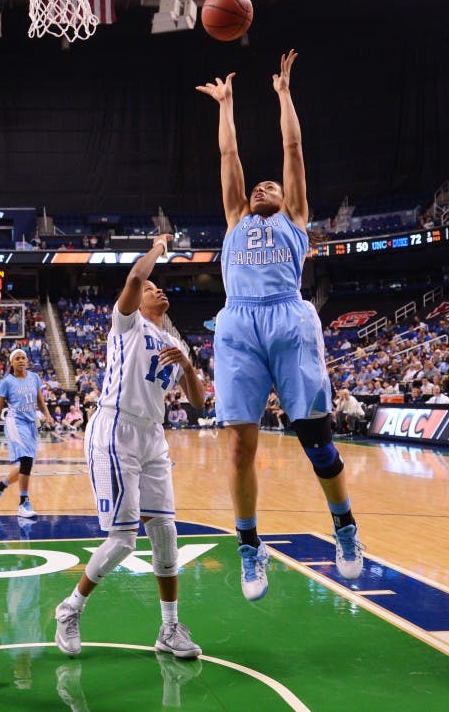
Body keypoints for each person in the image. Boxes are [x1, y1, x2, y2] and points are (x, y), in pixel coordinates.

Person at [196, 50, 364, 602]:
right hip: (238, 325)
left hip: (289, 318)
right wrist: (227, 105)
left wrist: (284, 94)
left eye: (271, 186)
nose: (262, 187)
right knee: (240, 447)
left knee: (316, 440)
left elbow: (292, 147)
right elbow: (229, 152)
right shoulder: (234, 219)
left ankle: (344, 524)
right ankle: (250, 545)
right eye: (257, 187)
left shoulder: (294, 217)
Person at [54, 235, 206, 662]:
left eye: (161, 286)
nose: (158, 288)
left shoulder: (179, 344)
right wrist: (158, 245)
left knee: (166, 533)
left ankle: (170, 627)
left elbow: (197, 401)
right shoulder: (128, 323)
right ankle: (70, 608)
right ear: (138, 299)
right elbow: (137, 274)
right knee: (123, 540)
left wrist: (189, 366)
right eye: (152, 288)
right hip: (115, 427)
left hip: (152, 435)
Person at [0, 349, 54, 519]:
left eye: (23, 358)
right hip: (16, 423)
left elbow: (40, 399)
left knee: (27, 465)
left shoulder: (34, 377)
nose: (21, 360)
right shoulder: (6, 382)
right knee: (26, 461)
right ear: (12, 362)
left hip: (31, 424)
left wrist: (47, 414)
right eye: (17, 358)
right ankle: (24, 503)